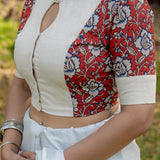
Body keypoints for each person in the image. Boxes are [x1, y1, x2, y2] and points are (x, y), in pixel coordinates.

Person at [0, 0, 156, 159]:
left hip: (92, 151)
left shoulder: (125, 5)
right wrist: (10, 142)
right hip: (28, 148)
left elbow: (139, 116)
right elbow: (23, 84)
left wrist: (57, 157)